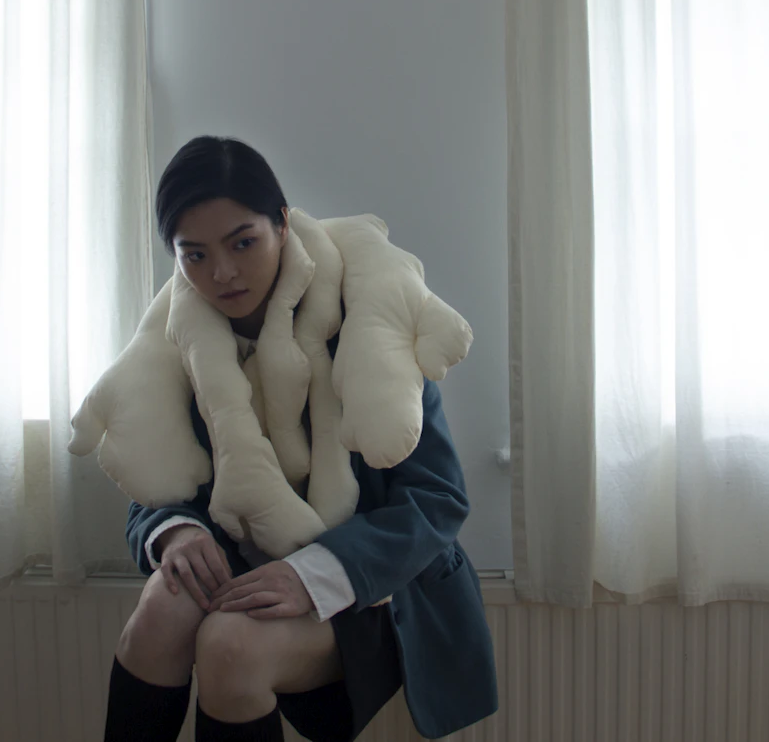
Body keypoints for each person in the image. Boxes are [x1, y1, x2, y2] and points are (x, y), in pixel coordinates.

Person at [103, 136, 497, 742]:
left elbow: (437, 500)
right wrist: (176, 531)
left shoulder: (369, 319)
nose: (222, 272)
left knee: (230, 645)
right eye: (195, 255)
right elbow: (152, 474)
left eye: (242, 242)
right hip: (245, 566)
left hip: (377, 589)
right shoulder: (179, 338)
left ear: (282, 225)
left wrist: (313, 573)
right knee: (162, 607)